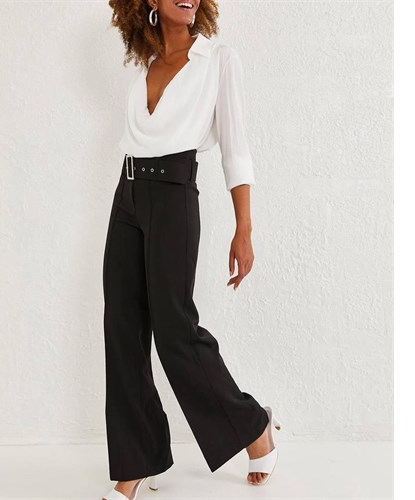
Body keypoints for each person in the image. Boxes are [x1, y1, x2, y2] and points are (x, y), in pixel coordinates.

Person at [102, 1, 281, 499]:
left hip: (174, 195)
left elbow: (235, 148)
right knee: (121, 327)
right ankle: (136, 463)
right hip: (127, 195)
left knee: (174, 329)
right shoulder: (145, 61)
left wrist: (244, 228)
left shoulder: (218, 60)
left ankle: (253, 425)